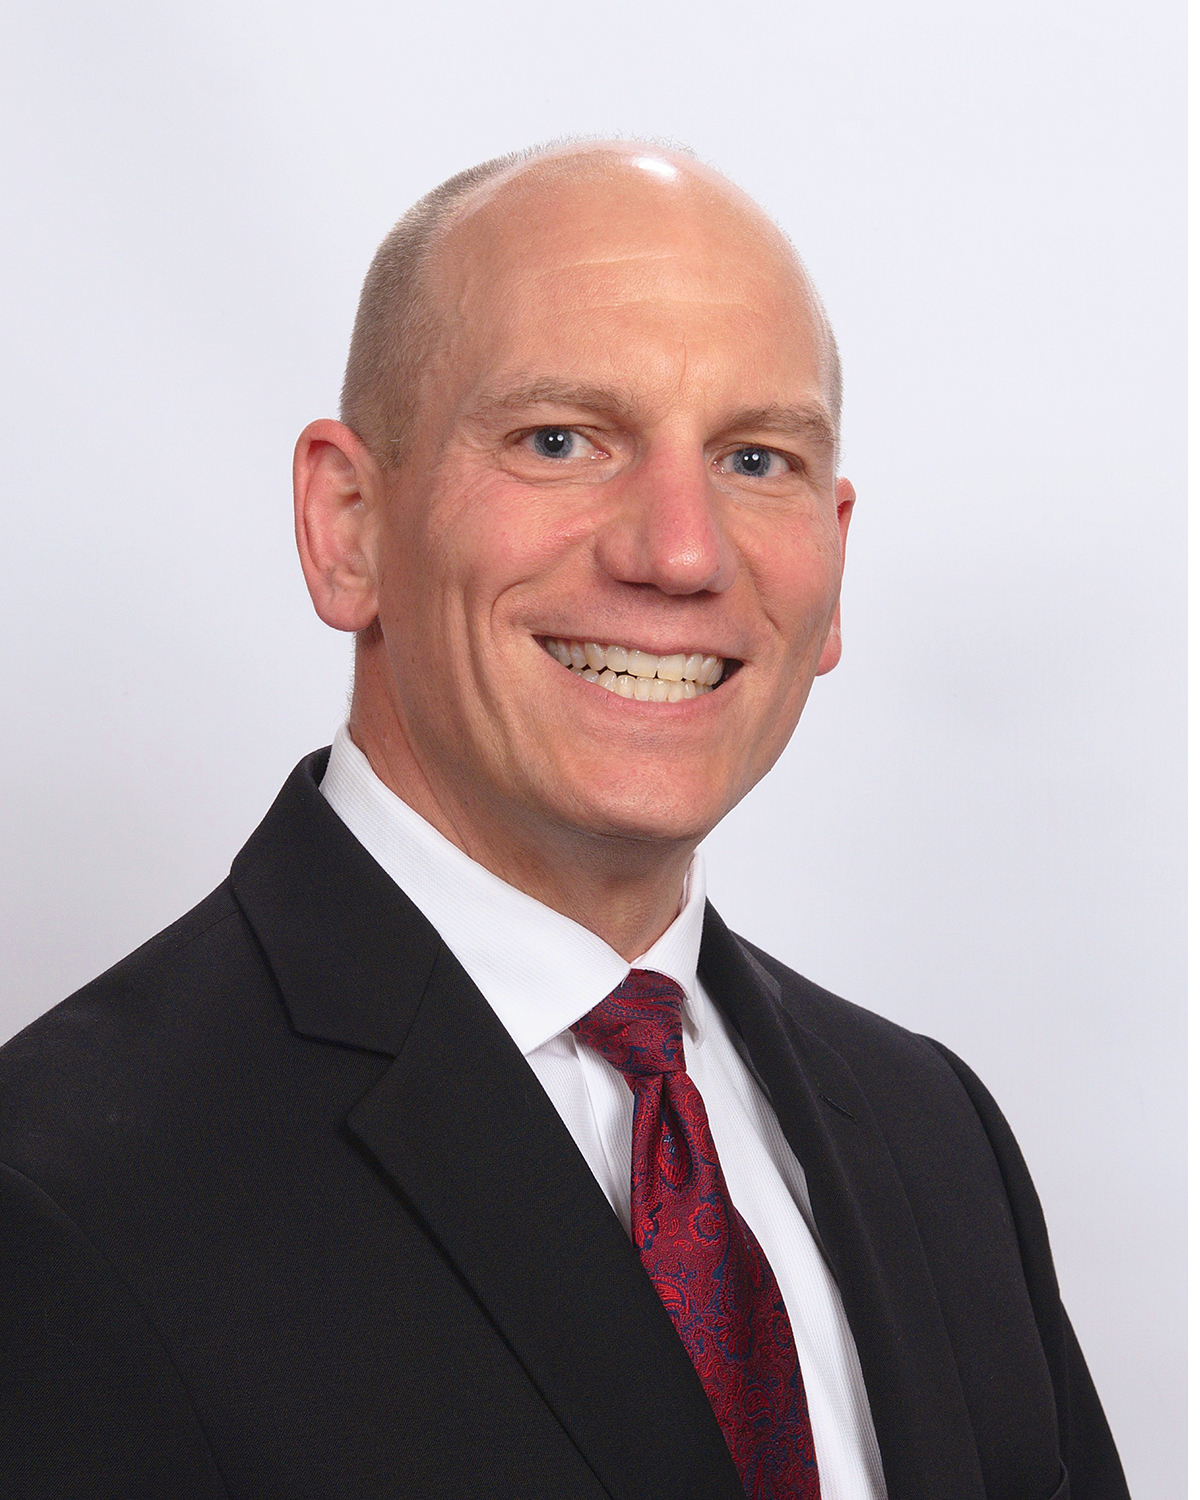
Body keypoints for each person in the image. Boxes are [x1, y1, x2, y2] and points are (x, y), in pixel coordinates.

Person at [0, 141, 1128, 1500]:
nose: (682, 551)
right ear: (348, 524)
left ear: (833, 564)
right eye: (559, 440)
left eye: (755, 458)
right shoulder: (60, 1199)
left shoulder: (936, 1137)